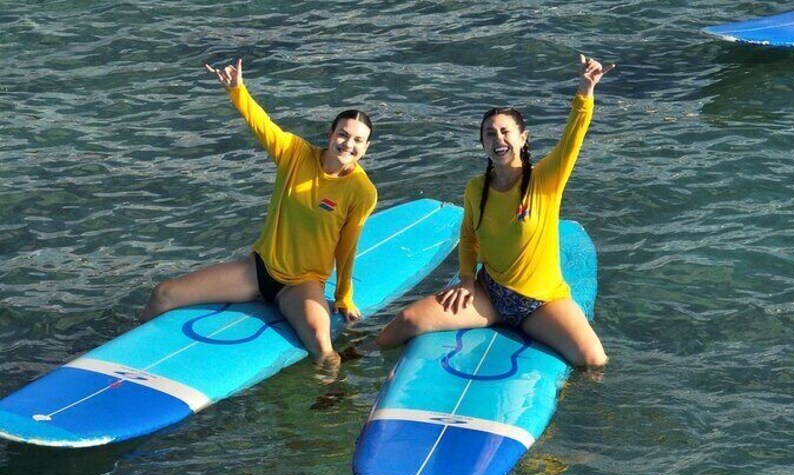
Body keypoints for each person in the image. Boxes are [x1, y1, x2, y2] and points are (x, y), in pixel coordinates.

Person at [376, 54, 612, 369]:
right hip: (490, 295)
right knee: (407, 320)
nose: (498, 138)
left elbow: (573, 137)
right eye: (489, 133)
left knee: (594, 360)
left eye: (505, 131)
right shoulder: (477, 188)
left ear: (522, 139)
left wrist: (585, 90)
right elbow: (469, 235)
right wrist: (466, 280)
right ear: (482, 143)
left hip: (541, 304)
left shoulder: (545, 179)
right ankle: (349, 361)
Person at [142, 58, 378, 371]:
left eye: (358, 140)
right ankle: (123, 352)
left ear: (366, 147)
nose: (348, 144)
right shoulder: (295, 153)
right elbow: (262, 125)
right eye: (343, 135)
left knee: (323, 347)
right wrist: (238, 91)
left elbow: (347, 247)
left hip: (301, 284)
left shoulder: (362, 191)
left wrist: (343, 296)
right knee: (163, 294)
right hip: (257, 272)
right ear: (330, 132)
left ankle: (332, 401)